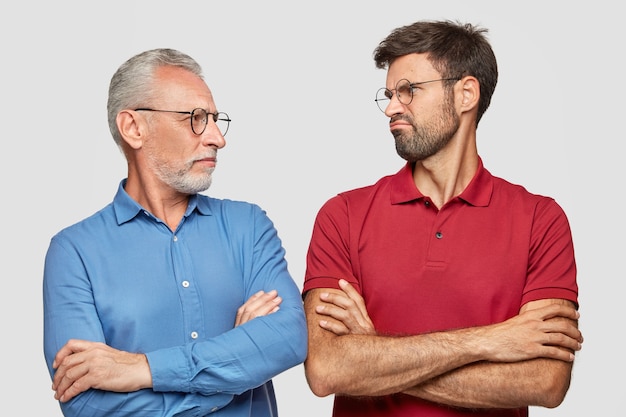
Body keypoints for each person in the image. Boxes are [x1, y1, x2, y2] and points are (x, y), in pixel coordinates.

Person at [302, 20, 582, 417]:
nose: (392, 107)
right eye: (388, 94)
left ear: (466, 93)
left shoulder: (541, 219)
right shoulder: (343, 215)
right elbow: (327, 368)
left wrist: (374, 352)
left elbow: (546, 382)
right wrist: (490, 341)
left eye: (408, 91)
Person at [43, 48, 307, 417]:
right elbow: (88, 404)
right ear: (133, 128)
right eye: (196, 118)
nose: (217, 137)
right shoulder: (74, 252)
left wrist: (142, 370)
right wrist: (235, 371)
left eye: (216, 119)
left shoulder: (248, 226)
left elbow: (288, 338)